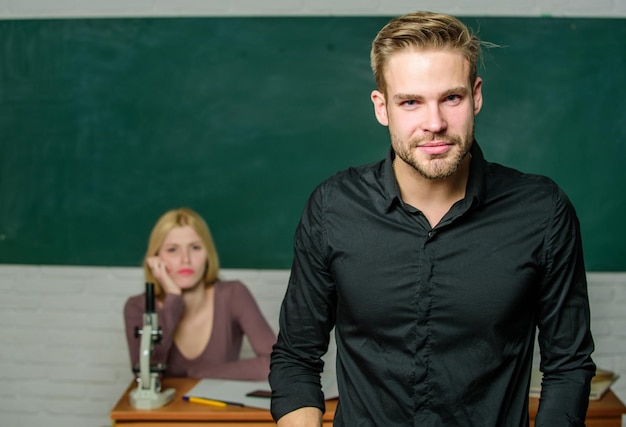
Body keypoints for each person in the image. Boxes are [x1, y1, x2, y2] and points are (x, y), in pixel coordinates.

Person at [269, 11, 595, 426]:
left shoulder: (543, 211)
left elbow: (568, 366)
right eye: (410, 102)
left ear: (476, 95)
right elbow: (296, 357)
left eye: (451, 98)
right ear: (382, 107)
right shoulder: (332, 208)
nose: (435, 123)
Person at [124, 207, 276, 381]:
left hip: (218, 408)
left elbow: (275, 364)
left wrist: (196, 375)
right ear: (156, 258)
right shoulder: (136, 307)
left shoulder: (233, 294)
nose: (185, 259)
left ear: (208, 255)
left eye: (195, 247)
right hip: (164, 409)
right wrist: (173, 298)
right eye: (172, 250)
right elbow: (146, 374)